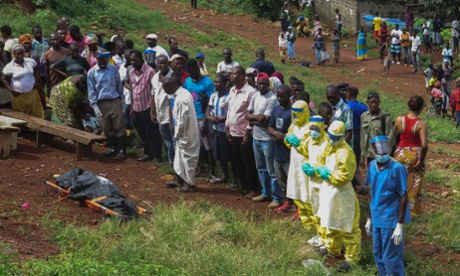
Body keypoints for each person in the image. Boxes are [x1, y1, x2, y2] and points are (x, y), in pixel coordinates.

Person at [315, 120, 361, 271]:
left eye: (336, 138)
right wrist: (320, 169)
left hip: (342, 193)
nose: (333, 140)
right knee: (330, 221)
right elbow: (321, 160)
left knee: (348, 226)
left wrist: (329, 175)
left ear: (343, 136)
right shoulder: (329, 145)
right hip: (329, 191)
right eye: (331, 137)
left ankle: (352, 258)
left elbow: (345, 176)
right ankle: (333, 249)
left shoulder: (346, 153)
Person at [365, 135, 411, 276]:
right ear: (373, 151)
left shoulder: (397, 168)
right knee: (378, 252)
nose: (382, 155)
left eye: (384, 152)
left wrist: (399, 224)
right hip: (377, 216)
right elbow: (371, 193)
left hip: (391, 219)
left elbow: (403, 195)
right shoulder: (372, 166)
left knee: (391, 256)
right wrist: (369, 218)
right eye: (378, 152)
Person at [246, 72, 283, 209]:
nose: (262, 86)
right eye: (259, 83)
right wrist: (255, 118)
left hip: (267, 139)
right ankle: (265, 192)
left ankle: (277, 197)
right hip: (256, 137)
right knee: (261, 168)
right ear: (257, 83)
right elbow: (247, 115)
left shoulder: (272, 99)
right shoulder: (255, 96)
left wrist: (253, 120)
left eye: (264, 84)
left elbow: (265, 120)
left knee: (271, 170)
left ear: (269, 85)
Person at [87, 49, 126, 160]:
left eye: (106, 58)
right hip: (101, 103)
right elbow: (92, 91)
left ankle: (122, 150)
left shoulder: (113, 69)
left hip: (114, 101)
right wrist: (95, 106)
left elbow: (119, 86)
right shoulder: (92, 72)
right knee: (107, 128)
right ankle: (114, 149)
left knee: (119, 126)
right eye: (102, 58)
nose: (104, 60)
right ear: (98, 58)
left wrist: (122, 102)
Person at [226, 66, 259, 196]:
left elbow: (252, 113)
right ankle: (243, 185)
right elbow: (230, 110)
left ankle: (253, 188)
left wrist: (248, 131)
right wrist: (227, 127)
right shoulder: (232, 91)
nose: (231, 76)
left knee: (248, 161)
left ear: (241, 76)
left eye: (233, 74)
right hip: (233, 132)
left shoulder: (251, 92)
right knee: (237, 160)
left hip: (244, 134)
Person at [163, 76, 200, 192]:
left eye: (165, 88)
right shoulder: (184, 93)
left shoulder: (180, 99)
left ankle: (189, 184)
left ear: (170, 86)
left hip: (186, 134)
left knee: (187, 160)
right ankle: (179, 180)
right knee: (180, 159)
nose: (165, 91)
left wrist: (177, 134)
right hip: (187, 133)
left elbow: (181, 121)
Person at [394, 96, 428, 217]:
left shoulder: (399, 120)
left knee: (398, 183)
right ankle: (412, 213)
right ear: (420, 108)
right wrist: (421, 161)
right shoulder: (421, 124)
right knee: (413, 186)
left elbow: (394, 138)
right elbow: (424, 145)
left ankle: (396, 209)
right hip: (414, 157)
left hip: (399, 155)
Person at [126, 50, 162, 163]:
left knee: (152, 133)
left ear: (141, 60)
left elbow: (154, 90)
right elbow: (133, 90)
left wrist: (153, 109)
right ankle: (148, 153)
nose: (133, 63)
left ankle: (157, 155)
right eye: (131, 61)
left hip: (147, 107)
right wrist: (132, 107)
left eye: (135, 60)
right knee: (142, 133)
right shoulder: (131, 72)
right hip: (136, 107)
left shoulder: (150, 72)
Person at [297, 115, 327, 246]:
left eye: (315, 128)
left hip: (324, 182)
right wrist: (306, 164)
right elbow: (304, 152)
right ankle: (319, 234)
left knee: (324, 209)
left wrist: (317, 170)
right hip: (312, 181)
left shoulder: (327, 142)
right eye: (311, 128)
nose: (313, 131)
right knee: (315, 208)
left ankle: (327, 238)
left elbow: (330, 163)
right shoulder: (309, 140)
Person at [183, 58, 215, 179]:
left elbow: (210, 104)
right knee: (197, 146)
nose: (189, 74)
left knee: (208, 147)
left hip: (203, 118)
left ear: (197, 68)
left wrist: (205, 123)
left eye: (191, 71)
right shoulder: (188, 81)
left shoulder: (207, 83)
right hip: (192, 117)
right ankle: (201, 168)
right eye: (187, 72)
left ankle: (212, 172)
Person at [268, 85, 295, 213]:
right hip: (278, 152)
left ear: (289, 96)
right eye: (277, 96)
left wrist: (283, 136)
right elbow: (270, 127)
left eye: (281, 96)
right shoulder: (276, 110)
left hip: (289, 154)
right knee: (281, 179)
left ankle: (295, 204)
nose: (279, 98)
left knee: (291, 181)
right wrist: (275, 134)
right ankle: (288, 202)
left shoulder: (294, 112)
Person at [284, 100, 311, 218]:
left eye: (297, 114)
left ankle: (305, 209)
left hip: (304, 160)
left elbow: (311, 146)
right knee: (294, 181)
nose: (295, 116)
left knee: (304, 184)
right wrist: (288, 139)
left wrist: (299, 144)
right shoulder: (294, 124)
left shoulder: (309, 127)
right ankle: (296, 205)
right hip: (294, 159)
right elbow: (288, 137)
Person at [1, 44, 44, 118]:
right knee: (22, 116)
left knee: (36, 114)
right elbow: (4, 79)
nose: (20, 56)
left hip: (32, 94)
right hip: (18, 95)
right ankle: (24, 129)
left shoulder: (30, 62)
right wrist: (11, 90)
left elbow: (37, 68)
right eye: (18, 54)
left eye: (22, 53)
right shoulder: (9, 66)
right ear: (14, 54)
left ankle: (37, 129)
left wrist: (36, 81)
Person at [206, 74, 233, 183]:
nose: (215, 84)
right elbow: (208, 108)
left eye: (218, 82)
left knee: (228, 154)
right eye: (215, 82)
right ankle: (225, 175)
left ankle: (234, 178)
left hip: (225, 130)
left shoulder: (229, 97)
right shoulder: (213, 95)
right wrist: (209, 117)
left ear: (225, 83)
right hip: (215, 128)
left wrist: (222, 118)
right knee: (219, 154)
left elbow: (232, 112)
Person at [360, 92, 395, 167]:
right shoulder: (364, 116)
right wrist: (362, 156)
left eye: (375, 102)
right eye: (371, 102)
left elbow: (390, 138)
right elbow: (363, 136)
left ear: (379, 102)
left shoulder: (386, 118)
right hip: (370, 155)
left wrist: (386, 156)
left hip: (381, 155)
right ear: (367, 103)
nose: (373, 104)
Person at [151, 54, 175, 164]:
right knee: (166, 138)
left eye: (165, 63)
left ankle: (176, 163)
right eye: (160, 63)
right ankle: (170, 160)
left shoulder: (173, 76)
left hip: (170, 112)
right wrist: (152, 111)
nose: (162, 65)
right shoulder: (155, 77)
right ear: (157, 64)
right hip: (159, 111)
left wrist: (172, 119)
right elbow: (153, 94)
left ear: (168, 63)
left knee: (174, 138)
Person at [43, 32, 69, 97]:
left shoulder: (66, 51)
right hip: (54, 83)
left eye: (57, 39)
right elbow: (46, 72)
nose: (55, 41)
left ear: (60, 39)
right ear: (50, 41)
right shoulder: (47, 54)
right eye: (53, 39)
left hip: (66, 82)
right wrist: (48, 87)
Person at [0, 41, 12, 109]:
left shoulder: (7, 54)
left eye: (2, 46)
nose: (0, 48)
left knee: (7, 103)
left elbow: (9, 67)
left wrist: (2, 58)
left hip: (7, 81)